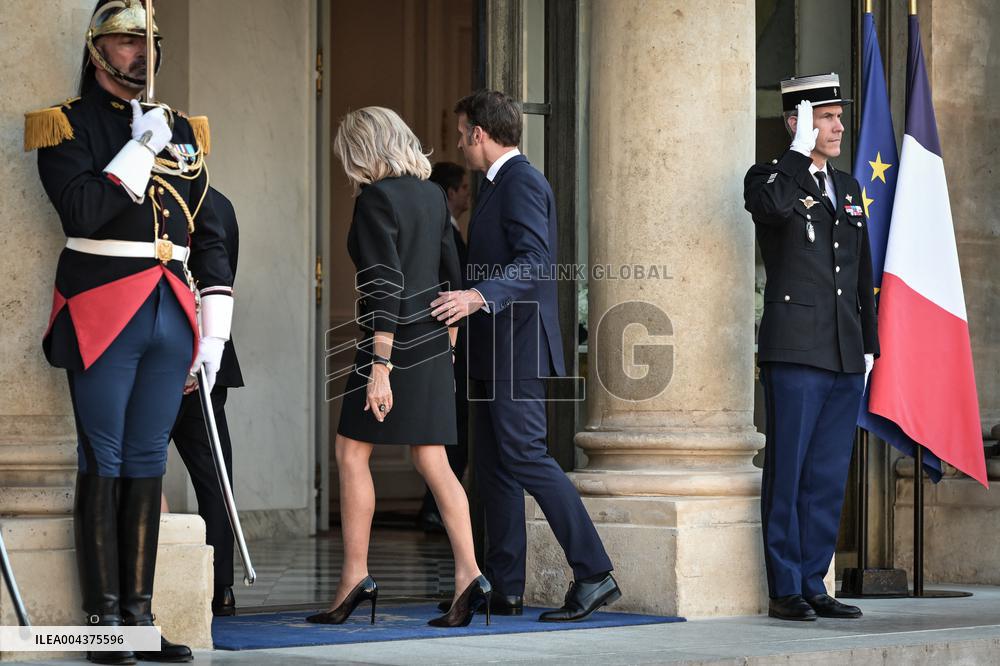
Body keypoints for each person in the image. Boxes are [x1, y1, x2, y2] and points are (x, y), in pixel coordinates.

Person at [27, 1, 233, 663]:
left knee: (148, 459)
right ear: (96, 50)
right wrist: (141, 146)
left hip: (171, 308)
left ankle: (139, 619)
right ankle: (103, 625)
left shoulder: (183, 128)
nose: (141, 52)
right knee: (105, 456)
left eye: (148, 41)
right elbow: (83, 210)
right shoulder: (66, 124)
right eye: (125, 41)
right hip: (103, 305)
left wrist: (214, 333)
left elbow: (206, 230)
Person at [431, 89, 620, 622]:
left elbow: (536, 261)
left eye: (462, 133)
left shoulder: (522, 181)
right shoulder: (497, 184)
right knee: (494, 466)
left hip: (517, 347)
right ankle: (505, 586)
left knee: (526, 456)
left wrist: (477, 296)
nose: (460, 144)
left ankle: (594, 573)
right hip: (493, 348)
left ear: (479, 134)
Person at [306, 107, 490, 628]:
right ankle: (470, 576)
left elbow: (383, 285)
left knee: (351, 451)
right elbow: (452, 277)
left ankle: (355, 577)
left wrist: (381, 364)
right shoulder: (432, 196)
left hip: (390, 342)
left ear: (361, 150)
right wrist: (447, 349)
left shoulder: (375, 199)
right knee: (433, 459)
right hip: (432, 340)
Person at [743, 73, 878, 622]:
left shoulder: (848, 187)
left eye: (839, 116)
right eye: (826, 117)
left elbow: (861, 271)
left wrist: (869, 345)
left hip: (844, 350)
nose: (839, 126)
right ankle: (785, 588)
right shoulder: (770, 177)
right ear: (796, 123)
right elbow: (772, 209)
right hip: (796, 349)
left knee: (825, 474)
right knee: (789, 469)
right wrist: (797, 154)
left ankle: (814, 581)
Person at [170, 187, 244, 618]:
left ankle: (156, 583)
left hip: (170, 355)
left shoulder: (157, 197)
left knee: (143, 470)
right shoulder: (220, 202)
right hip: (208, 358)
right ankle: (222, 587)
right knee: (215, 476)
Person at [418, 162, 471, 532]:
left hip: (450, 343)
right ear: (450, 192)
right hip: (445, 342)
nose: (468, 194)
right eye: (464, 188)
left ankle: (432, 509)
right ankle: (433, 510)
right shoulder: (442, 230)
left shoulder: (451, 229)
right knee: (446, 433)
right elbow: (452, 283)